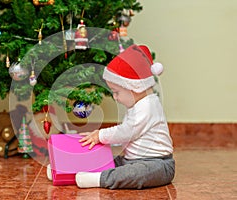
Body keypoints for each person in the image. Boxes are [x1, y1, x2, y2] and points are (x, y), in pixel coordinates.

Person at [75, 44, 175, 189]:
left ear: (135, 88)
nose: (115, 98)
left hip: (158, 164)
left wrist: (101, 135)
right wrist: (104, 142)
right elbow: (127, 137)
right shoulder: (136, 105)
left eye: (116, 92)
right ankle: (67, 172)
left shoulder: (148, 106)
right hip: (130, 160)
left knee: (136, 174)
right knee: (110, 162)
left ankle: (100, 179)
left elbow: (127, 132)